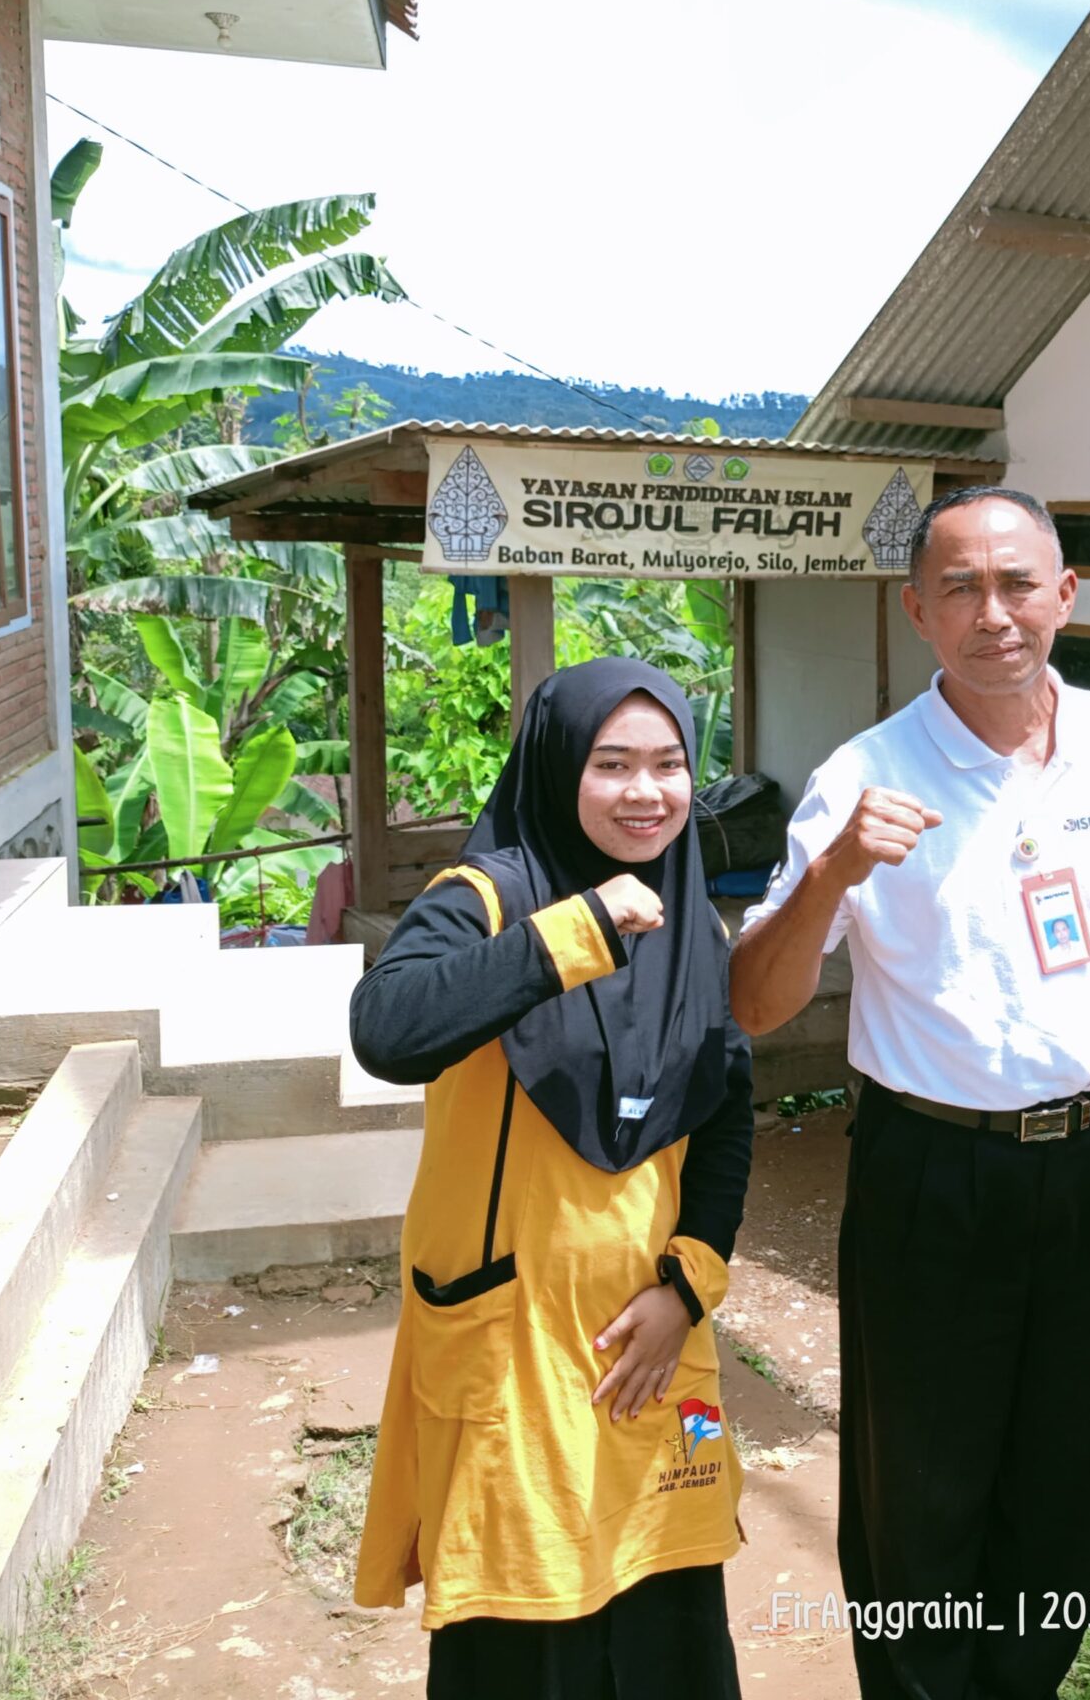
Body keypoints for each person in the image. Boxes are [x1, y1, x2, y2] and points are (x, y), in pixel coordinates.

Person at [730, 486, 1090, 1699]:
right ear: (916, 611)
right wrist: (832, 873)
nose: (991, 613)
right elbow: (755, 1003)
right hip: (931, 1174)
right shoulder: (862, 776)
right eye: (959, 587)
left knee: (1075, 1475)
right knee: (922, 1490)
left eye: (1015, 585)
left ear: (1065, 597)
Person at [348, 658, 754, 1699]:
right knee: (525, 1631)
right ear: (557, 766)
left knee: (668, 1612)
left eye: (668, 764)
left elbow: (724, 1113)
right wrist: (576, 931)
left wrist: (686, 1285)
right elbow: (390, 1032)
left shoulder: (692, 919)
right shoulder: (483, 897)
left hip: (651, 1345)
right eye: (610, 763)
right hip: (511, 1348)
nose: (645, 791)